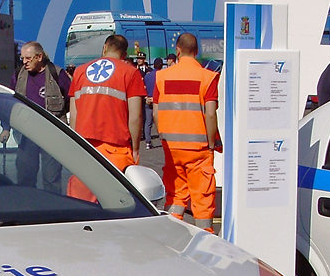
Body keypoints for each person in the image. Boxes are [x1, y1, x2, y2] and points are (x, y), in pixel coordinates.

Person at [66, 34, 147, 203]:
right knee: (117, 206)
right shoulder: (131, 73)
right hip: (116, 149)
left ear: (104, 48)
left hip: (85, 148)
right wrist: (136, 147)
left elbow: (74, 114)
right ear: (124, 55)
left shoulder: (80, 72)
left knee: (81, 205)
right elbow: (135, 117)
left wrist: (75, 144)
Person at [153, 32, 220, 232]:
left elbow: (156, 113)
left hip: (171, 147)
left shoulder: (161, 77)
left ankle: (172, 235)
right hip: (198, 149)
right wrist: (211, 142)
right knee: (202, 197)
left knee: (175, 194)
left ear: (178, 51)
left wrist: (164, 134)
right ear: (197, 52)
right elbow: (210, 114)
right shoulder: (207, 78)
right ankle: (206, 241)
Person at [0, 41, 70, 192]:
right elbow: (8, 103)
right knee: (25, 176)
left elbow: (71, 100)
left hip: (52, 134)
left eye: (28, 58)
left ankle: (53, 212)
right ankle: (27, 207)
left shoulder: (57, 74)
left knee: (51, 177)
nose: (24, 62)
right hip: (26, 133)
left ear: (39, 57)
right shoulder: (19, 75)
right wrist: (6, 128)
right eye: (22, 58)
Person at [142, 57, 163, 149]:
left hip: (148, 100)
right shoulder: (162, 75)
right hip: (158, 101)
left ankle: (148, 142)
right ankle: (163, 139)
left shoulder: (147, 76)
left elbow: (144, 87)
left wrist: (147, 97)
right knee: (161, 121)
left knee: (148, 122)